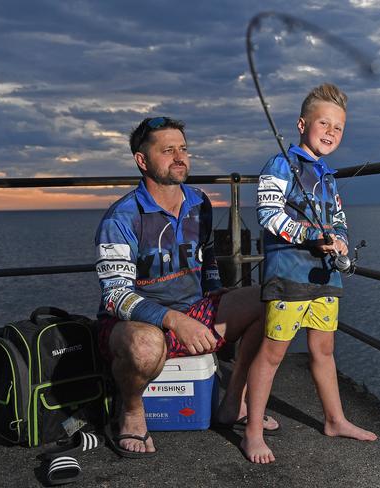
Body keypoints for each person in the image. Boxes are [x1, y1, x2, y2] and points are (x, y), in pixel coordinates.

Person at [95, 116, 278, 457]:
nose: (180, 157)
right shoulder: (121, 218)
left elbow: (207, 258)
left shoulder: (199, 203)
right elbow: (115, 296)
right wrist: (177, 321)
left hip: (193, 311)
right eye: (167, 150)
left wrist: (214, 293)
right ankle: (132, 412)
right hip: (137, 325)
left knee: (270, 302)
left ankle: (233, 402)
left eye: (183, 148)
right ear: (142, 160)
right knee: (146, 345)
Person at [242, 83, 377, 463]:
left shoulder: (328, 177)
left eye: (339, 128)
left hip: (325, 278)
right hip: (288, 274)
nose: (331, 132)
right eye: (324, 123)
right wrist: (310, 235)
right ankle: (252, 431)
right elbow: (267, 216)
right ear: (303, 124)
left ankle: (335, 420)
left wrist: (340, 241)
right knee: (272, 353)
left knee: (324, 350)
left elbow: (340, 220)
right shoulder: (279, 165)